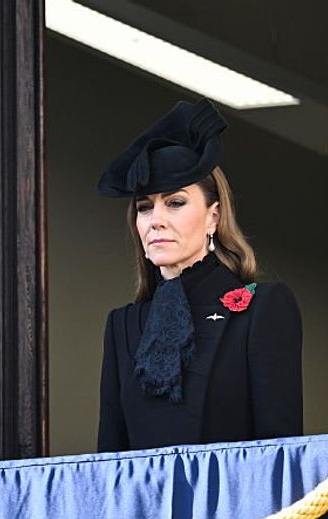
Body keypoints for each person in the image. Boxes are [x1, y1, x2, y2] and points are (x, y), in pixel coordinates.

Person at [95, 99, 303, 452]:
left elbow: (281, 456)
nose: (155, 220)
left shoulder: (262, 308)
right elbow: (111, 463)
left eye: (175, 203)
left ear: (214, 216)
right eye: (145, 207)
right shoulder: (123, 325)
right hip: (146, 508)